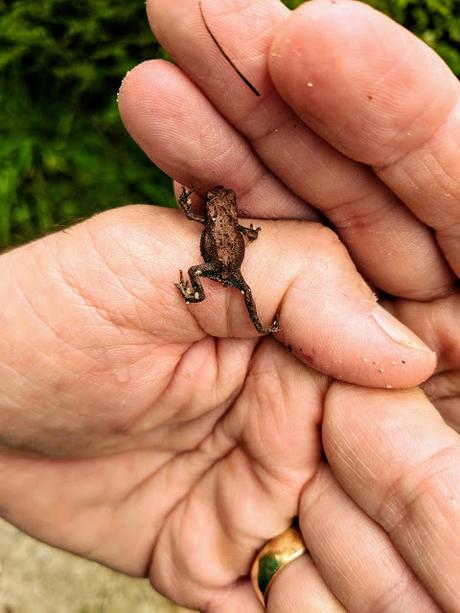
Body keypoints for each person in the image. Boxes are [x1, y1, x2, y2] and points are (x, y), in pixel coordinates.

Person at [1, 0, 459, 610]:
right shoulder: (227, 218)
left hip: (227, 269)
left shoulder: (223, 217)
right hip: (227, 269)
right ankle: (221, 298)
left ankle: (223, 298)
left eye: (220, 204)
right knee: (232, 291)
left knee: (232, 291)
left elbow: (227, 226)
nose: (219, 205)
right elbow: (229, 227)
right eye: (217, 203)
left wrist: (232, 250)